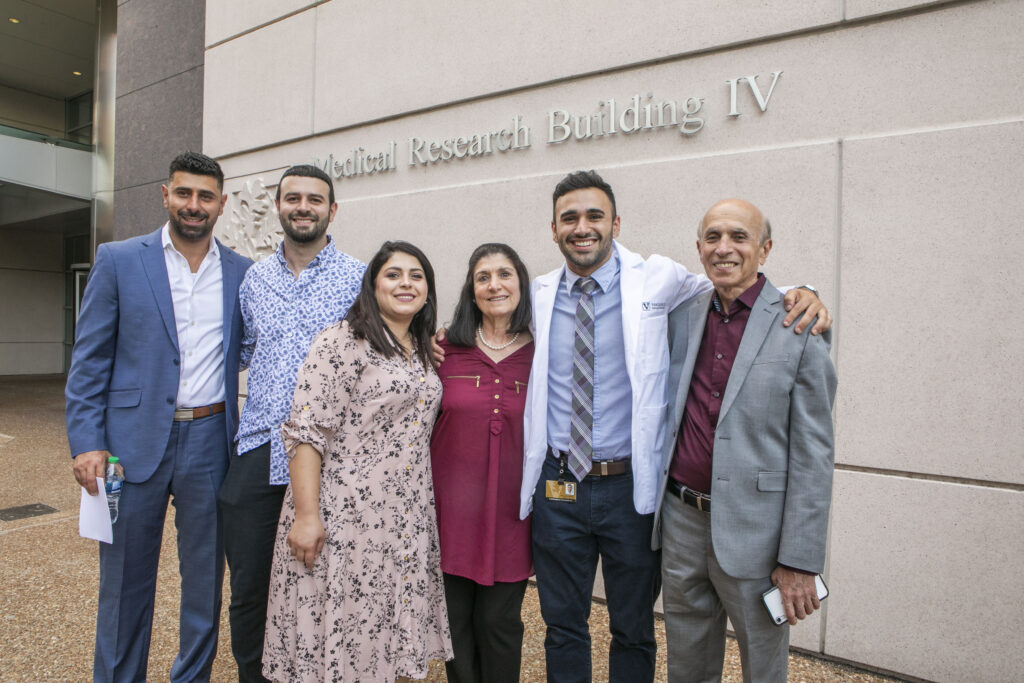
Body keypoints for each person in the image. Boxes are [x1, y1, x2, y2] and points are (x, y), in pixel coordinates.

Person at [519, 170, 832, 682]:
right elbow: (486, 322)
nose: (582, 227)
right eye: (569, 218)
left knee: (636, 628)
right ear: (553, 229)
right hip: (565, 488)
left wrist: (807, 292)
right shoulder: (539, 293)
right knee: (566, 627)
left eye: (595, 216)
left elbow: (739, 284)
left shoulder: (662, 280)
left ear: (615, 223)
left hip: (630, 490)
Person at [65, 151, 252, 681]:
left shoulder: (243, 273)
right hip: (130, 444)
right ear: (165, 195)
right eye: (185, 193)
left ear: (221, 204)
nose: (195, 205)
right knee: (123, 583)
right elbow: (89, 360)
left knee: (204, 585)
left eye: (206, 196)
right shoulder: (120, 259)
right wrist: (86, 441)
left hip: (213, 439)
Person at [652, 199, 837, 682]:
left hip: (759, 533)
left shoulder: (799, 326)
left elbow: (814, 455)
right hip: (681, 523)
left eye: (738, 236)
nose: (723, 248)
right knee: (687, 662)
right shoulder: (683, 316)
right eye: (712, 237)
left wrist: (799, 559)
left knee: (764, 665)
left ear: (765, 249)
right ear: (698, 248)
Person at [262, 241, 453, 682]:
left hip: (402, 518)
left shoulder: (421, 350)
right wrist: (307, 517)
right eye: (393, 274)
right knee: (341, 629)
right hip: (344, 515)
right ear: (372, 285)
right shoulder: (343, 341)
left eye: (416, 275)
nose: (406, 283)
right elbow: (307, 432)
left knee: (378, 631)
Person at [219, 164, 365, 682]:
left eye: (315, 199)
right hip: (260, 449)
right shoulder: (253, 280)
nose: (303, 207)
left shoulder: (361, 278)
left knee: (330, 583)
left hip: (333, 454)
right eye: (293, 198)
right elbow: (241, 353)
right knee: (251, 587)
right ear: (279, 206)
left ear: (332, 210)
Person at [430, 243, 535, 683]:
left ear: (521, 283)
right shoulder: (443, 350)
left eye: (505, 274)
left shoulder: (543, 351)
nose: (495, 284)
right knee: (454, 622)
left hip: (512, 512)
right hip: (449, 512)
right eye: (483, 277)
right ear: (471, 290)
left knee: (499, 622)